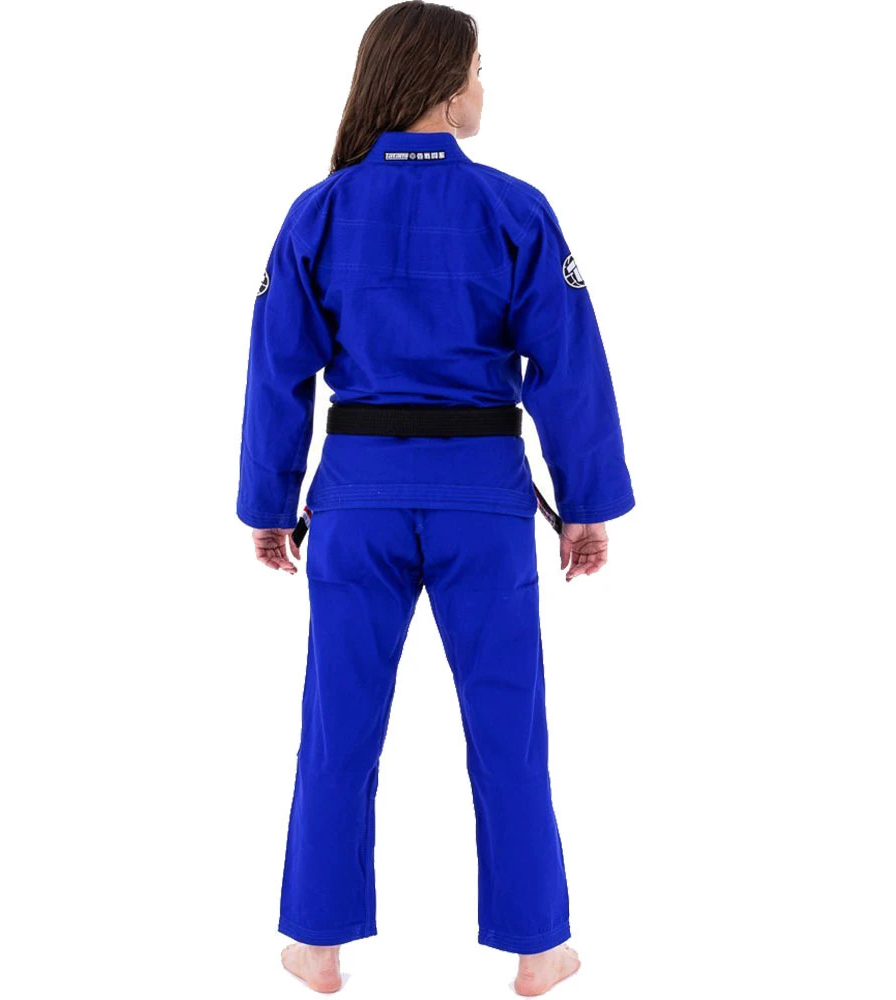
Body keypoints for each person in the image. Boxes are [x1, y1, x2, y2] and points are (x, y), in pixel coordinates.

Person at [236, 2, 635, 994]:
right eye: (480, 70)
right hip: (482, 502)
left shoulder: (318, 212)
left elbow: (277, 370)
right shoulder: (515, 209)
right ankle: (539, 950)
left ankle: (315, 945)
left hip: (356, 502)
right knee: (509, 732)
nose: (485, 88)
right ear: (446, 87)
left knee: (337, 729)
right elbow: (570, 364)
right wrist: (584, 502)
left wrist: (267, 503)